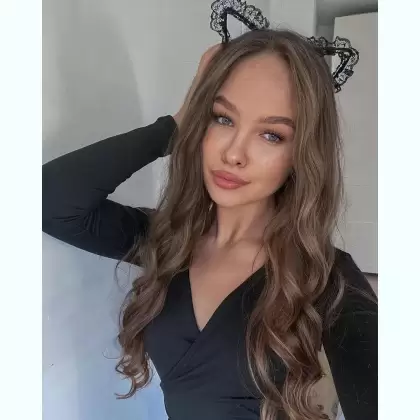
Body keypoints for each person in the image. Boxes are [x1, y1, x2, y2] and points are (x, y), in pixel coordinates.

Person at [42, 29, 377, 420]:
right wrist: (177, 125)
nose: (233, 153)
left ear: (302, 154)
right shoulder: (168, 242)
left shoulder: (328, 277)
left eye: (272, 135)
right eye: (222, 118)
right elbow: (51, 200)